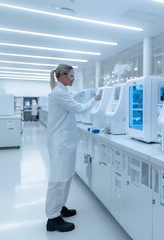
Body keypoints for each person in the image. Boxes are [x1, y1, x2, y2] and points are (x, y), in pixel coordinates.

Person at [45, 64, 101, 232]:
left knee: (66, 175)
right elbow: (79, 108)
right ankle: (52, 218)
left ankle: (60, 207)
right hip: (60, 143)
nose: (73, 78)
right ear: (61, 75)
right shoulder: (59, 93)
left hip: (65, 141)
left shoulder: (62, 92)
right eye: (71, 75)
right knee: (58, 178)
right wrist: (95, 99)